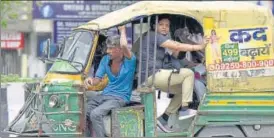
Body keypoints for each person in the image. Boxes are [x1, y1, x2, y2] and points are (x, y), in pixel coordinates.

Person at [139, 15, 209, 132]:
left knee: (185, 87)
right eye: (161, 25)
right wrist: (200, 46)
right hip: (151, 75)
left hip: (157, 75)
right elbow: (176, 46)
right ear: (153, 26)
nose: (164, 28)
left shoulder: (159, 39)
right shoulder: (153, 36)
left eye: (167, 25)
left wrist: (185, 44)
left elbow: (176, 53)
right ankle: (185, 109)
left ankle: (164, 118)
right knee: (188, 74)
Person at [84, 25, 136, 137]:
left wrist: (122, 30)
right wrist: (90, 81)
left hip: (120, 98)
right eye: (107, 48)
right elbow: (97, 80)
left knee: (95, 114)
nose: (108, 51)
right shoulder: (105, 60)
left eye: (111, 48)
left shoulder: (130, 60)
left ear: (120, 49)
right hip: (105, 95)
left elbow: (124, 44)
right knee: (84, 111)